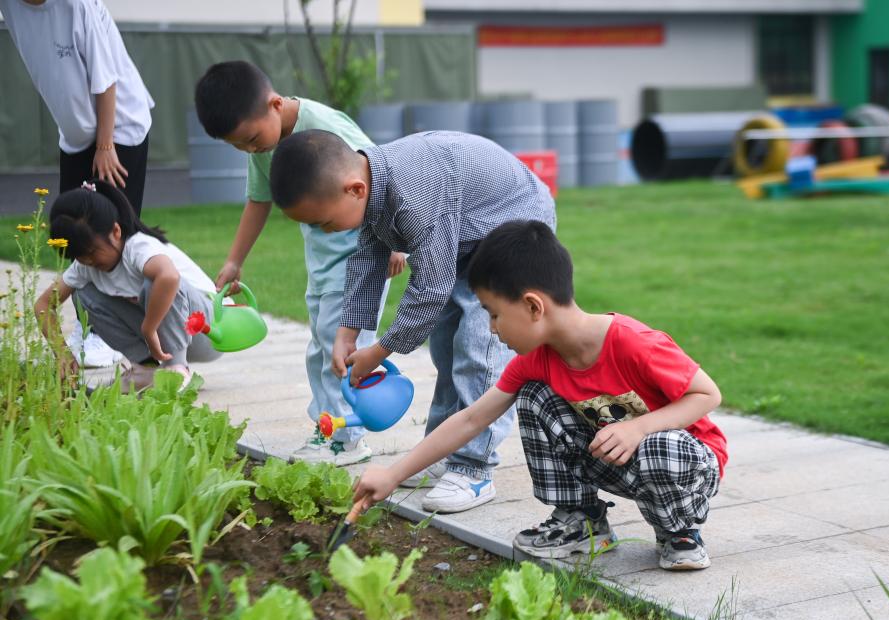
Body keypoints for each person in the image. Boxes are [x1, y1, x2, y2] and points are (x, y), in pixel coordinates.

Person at [352, 221, 728, 570]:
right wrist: (392, 474)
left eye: (494, 314)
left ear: (533, 306)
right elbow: (471, 419)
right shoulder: (537, 361)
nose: (492, 329)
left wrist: (638, 429)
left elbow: (707, 394)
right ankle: (581, 521)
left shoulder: (633, 343)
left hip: (684, 465)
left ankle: (679, 533)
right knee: (533, 395)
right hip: (614, 459)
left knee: (661, 446)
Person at [268, 130, 557, 514]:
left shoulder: (412, 194)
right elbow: (368, 259)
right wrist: (346, 333)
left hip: (512, 225)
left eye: (323, 222)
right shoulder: (372, 185)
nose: (325, 232)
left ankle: (473, 467)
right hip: (467, 236)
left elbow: (430, 289)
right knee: (445, 347)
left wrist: (380, 349)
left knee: (479, 343)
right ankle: (440, 447)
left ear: (354, 190)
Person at [193, 60, 404, 466]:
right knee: (320, 349)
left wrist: (396, 242)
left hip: (364, 256)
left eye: (251, 140)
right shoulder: (263, 142)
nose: (251, 151)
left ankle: (348, 436)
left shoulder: (325, 126)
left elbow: (383, 172)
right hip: (323, 264)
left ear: (274, 104)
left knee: (341, 349)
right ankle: (327, 428)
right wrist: (235, 260)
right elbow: (258, 199)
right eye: (240, 147)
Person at [34, 180, 221, 388]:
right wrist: (62, 353)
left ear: (115, 232)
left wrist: (149, 328)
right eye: (79, 256)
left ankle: (175, 367)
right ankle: (146, 368)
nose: (87, 262)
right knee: (82, 292)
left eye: (91, 252)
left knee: (157, 280)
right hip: (162, 338)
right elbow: (43, 305)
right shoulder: (86, 265)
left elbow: (169, 277)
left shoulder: (138, 246)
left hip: (209, 330)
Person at [0, 0, 154, 215]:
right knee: (70, 233)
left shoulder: (77, 5)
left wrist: (105, 147)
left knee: (111, 238)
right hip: (76, 136)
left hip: (119, 128)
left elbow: (106, 80)